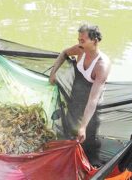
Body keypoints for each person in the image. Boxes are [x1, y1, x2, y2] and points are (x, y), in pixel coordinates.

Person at [49, 24, 111, 166]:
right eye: (78, 39)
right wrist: (53, 72)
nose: (79, 43)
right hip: (75, 98)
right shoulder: (80, 50)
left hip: (92, 107)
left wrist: (83, 126)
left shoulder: (102, 65)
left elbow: (93, 99)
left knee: (88, 137)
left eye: (82, 40)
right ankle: (70, 156)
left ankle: (90, 163)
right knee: (70, 129)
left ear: (94, 41)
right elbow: (64, 53)